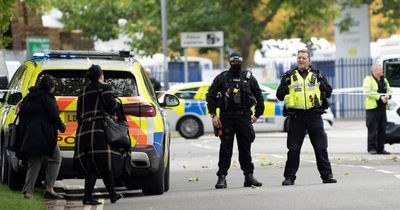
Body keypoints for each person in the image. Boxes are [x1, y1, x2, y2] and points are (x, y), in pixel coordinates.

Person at [276, 49, 337, 186]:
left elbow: (328, 92)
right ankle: (289, 177)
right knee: (293, 149)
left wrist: (322, 86)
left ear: (309, 60)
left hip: (314, 115)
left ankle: (327, 176)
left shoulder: (318, 75)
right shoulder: (289, 76)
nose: (301, 60)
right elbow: (279, 95)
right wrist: (286, 88)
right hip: (296, 117)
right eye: (299, 58)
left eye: (304, 58)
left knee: (321, 148)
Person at [206, 53, 265, 189]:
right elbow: (211, 96)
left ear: (242, 62)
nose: (236, 64)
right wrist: (214, 115)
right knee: (225, 148)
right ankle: (222, 177)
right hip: (226, 117)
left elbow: (259, 96)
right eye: (233, 61)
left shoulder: (249, 78)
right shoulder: (222, 78)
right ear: (230, 62)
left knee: (245, 147)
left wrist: (257, 114)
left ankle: (248, 176)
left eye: (238, 61)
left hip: (244, 117)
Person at [74, 65, 124, 205]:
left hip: (84, 131)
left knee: (92, 164)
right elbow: (111, 106)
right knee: (102, 162)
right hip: (99, 131)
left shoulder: (82, 92)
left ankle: (103, 195)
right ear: (101, 75)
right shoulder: (104, 88)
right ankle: (109, 195)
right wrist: (118, 104)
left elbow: (79, 115)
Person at [19, 75, 66, 199]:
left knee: (34, 162)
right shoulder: (47, 98)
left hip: (29, 134)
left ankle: (28, 192)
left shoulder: (30, 97)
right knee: (56, 158)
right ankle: (49, 189)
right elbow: (54, 115)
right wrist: (62, 126)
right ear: (50, 86)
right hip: (45, 134)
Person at [363, 64, 391, 155]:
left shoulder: (384, 79)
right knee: (372, 128)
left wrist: (387, 96)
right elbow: (367, 92)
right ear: (375, 71)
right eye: (380, 70)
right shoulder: (368, 79)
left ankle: (381, 148)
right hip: (372, 108)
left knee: (382, 128)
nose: (382, 71)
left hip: (382, 108)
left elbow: (389, 90)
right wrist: (379, 97)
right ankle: (372, 148)